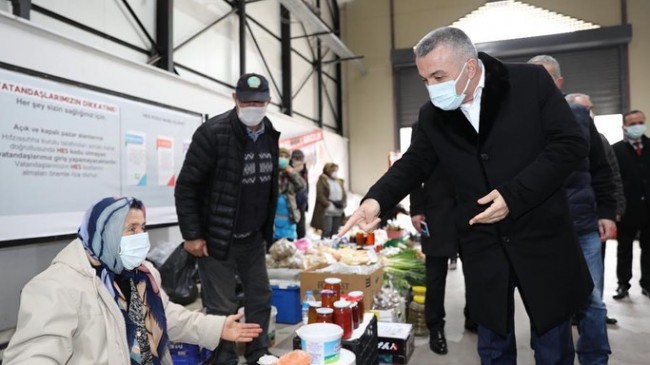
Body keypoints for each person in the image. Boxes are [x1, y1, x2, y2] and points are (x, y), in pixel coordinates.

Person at [340, 27, 593, 364]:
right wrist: (375, 199)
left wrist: (514, 195)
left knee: (552, 342)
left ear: (470, 67)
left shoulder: (528, 83)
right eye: (424, 78)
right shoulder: (433, 115)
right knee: (492, 341)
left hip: (541, 233)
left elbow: (570, 144)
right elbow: (415, 163)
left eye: (438, 76)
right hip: (483, 241)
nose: (431, 87)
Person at [2, 197, 262, 365]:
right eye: (131, 229)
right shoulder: (57, 286)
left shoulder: (141, 274)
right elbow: (33, 355)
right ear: (105, 232)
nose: (141, 237)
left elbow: (165, 315)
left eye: (143, 228)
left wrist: (216, 327)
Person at [174, 73, 279, 365]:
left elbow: (269, 187)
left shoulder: (270, 132)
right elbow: (187, 186)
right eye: (246, 101)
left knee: (260, 297)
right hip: (216, 240)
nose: (252, 107)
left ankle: (259, 353)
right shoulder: (212, 133)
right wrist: (192, 235)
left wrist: (266, 232)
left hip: (253, 238)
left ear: (268, 102)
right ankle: (224, 359)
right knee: (222, 307)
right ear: (235, 99)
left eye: (258, 102)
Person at [529, 55, 616, 364]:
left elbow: (602, 169)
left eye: (546, 79)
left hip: (582, 228)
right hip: (542, 230)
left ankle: (595, 358)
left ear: (559, 83)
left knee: (592, 302)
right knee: (551, 305)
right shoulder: (520, 123)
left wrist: (606, 211)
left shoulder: (579, 117)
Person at [409, 123, 475, 356]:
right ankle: (435, 326)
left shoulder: (471, 118)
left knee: (476, 270)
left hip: (472, 209)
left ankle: (474, 317)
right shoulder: (424, 124)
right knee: (435, 275)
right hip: (436, 211)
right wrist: (416, 208)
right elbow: (414, 168)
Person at [564, 92, 626, 325]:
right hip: (553, 226)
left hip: (587, 223)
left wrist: (609, 212)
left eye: (589, 108)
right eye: (583, 108)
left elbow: (608, 174)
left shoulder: (598, 140)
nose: (588, 113)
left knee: (593, 297)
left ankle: (595, 353)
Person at [611, 110, 650, 300]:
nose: (637, 126)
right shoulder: (616, 150)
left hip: (648, 208)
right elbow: (612, 180)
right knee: (624, 249)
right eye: (633, 123)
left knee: (649, 248)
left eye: (640, 122)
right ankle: (623, 284)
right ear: (625, 126)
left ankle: (647, 283)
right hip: (627, 210)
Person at [273, 147, 306, 242]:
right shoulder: (271, 171)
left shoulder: (291, 173)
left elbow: (301, 185)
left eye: (286, 157)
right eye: (281, 156)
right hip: (275, 213)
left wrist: (292, 172)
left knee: (289, 241)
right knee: (275, 242)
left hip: (289, 212)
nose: (283, 159)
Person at [311, 162, 347, 239]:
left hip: (338, 210)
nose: (335, 172)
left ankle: (334, 246)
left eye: (336, 170)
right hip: (328, 210)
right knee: (327, 229)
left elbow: (344, 193)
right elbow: (320, 194)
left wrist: (343, 203)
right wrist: (328, 204)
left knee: (335, 231)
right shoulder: (323, 180)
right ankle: (324, 244)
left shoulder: (339, 181)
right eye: (333, 170)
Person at [290, 149, 310, 239]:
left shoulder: (304, 170)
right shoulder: (289, 170)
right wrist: (294, 172)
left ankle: (301, 243)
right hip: (292, 203)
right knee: (293, 227)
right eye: (296, 158)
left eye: (300, 158)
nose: (298, 161)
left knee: (301, 229)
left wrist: (306, 202)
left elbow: (306, 187)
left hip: (302, 202)